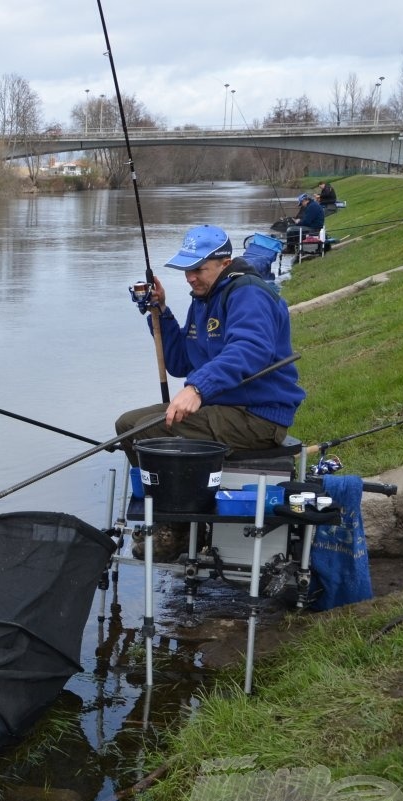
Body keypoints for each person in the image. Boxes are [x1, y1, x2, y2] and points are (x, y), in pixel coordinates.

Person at [116, 224, 305, 558]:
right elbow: (180, 361)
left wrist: (199, 389)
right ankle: (172, 513)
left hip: (257, 415)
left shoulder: (248, 293)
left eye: (199, 269)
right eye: (188, 269)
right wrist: (159, 311)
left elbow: (250, 349)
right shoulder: (202, 301)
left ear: (224, 262)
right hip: (223, 408)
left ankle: (177, 526)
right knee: (127, 424)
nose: (191, 277)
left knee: (145, 434)